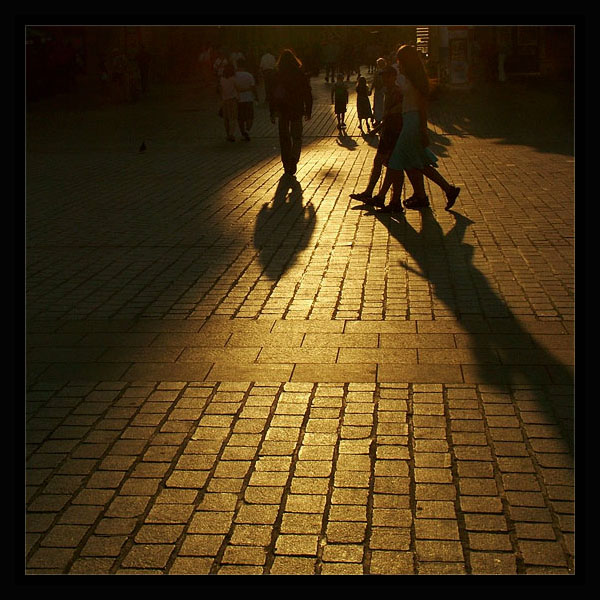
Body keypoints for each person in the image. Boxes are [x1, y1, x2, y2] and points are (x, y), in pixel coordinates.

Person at [376, 45, 460, 213]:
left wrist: (422, 129)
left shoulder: (416, 79)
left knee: (397, 160)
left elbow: (422, 107)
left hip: (413, 121)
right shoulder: (408, 78)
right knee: (415, 162)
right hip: (409, 120)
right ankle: (442, 191)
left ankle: (386, 199)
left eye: (400, 60)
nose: (398, 64)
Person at [350, 66, 403, 207]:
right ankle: (372, 193)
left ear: (394, 77)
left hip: (393, 133)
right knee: (381, 163)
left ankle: (390, 198)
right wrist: (377, 129)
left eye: (387, 76)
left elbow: (394, 115)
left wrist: (379, 128)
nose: (384, 79)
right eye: (383, 77)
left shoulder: (397, 92)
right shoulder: (389, 91)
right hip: (387, 132)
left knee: (393, 167)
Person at [269, 48, 313, 176]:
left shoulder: (277, 75)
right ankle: (294, 157)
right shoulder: (300, 74)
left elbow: (272, 95)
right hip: (297, 109)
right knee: (297, 136)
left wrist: (272, 112)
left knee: (284, 138)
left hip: (283, 110)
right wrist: (308, 109)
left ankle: (286, 162)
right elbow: (307, 92)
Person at [234, 58, 258, 141]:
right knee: (249, 116)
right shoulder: (249, 75)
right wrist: (256, 96)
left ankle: (243, 132)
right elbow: (253, 87)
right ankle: (248, 129)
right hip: (248, 98)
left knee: (240, 117)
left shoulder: (234, 75)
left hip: (238, 99)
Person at [219, 63, 238, 142]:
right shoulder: (233, 79)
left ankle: (227, 134)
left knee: (226, 118)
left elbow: (220, 90)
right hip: (232, 99)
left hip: (224, 100)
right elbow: (237, 88)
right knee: (232, 118)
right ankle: (231, 134)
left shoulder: (221, 79)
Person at [370, 57, 387, 126]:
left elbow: (374, 81)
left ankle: (378, 119)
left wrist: (371, 89)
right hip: (383, 89)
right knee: (382, 105)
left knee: (377, 105)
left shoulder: (377, 72)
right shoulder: (385, 71)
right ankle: (382, 119)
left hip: (379, 90)